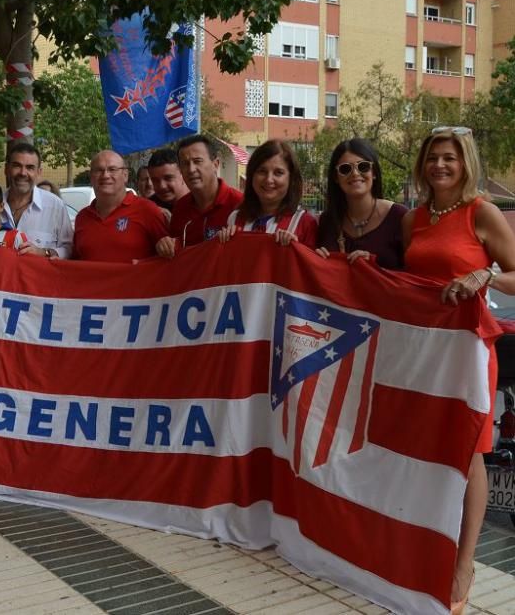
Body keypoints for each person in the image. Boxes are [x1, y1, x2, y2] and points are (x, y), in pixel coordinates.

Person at [402, 126, 515, 612]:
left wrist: (484, 274)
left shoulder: (481, 212)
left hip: (470, 348)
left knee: (467, 451)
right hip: (422, 349)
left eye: (448, 158)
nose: (439, 166)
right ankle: (426, 548)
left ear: (464, 161)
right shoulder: (415, 219)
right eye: (432, 158)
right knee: (424, 447)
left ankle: (463, 563)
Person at [316, 139, 406, 269]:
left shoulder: (399, 217)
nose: (355, 173)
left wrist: (374, 269)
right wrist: (317, 261)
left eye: (363, 166)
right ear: (336, 177)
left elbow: (413, 275)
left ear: (374, 172)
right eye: (345, 168)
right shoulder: (327, 221)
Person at [73, 149, 168, 262]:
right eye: (99, 170)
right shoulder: (82, 218)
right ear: (91, 177)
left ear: (125, 175)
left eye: (112, 169)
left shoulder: (148, 210)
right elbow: (75, 262)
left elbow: (169, 258)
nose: (105, 175)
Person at [218, 139, 317, 247]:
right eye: (262, 171)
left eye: (278, 173)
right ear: (252, 176)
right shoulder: (235, 218)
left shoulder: (304, 224)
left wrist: (295, 250)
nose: (269, 180)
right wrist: (223, 242)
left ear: (291, 178)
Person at [156, 135, 243, 257]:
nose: (191, 169)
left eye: (197, 161)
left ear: (216, 164)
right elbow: (175, 251)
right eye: (185, 164)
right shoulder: (180, 208)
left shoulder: (240, 204)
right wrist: (165, 245)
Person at [0, 144, 74, 258]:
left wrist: (45, 252)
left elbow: (69, 248)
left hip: (39, 275)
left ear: (39, 172)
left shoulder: (55, 206)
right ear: (6, 169)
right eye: (17, 166)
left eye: (30, 167)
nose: (23, 173)